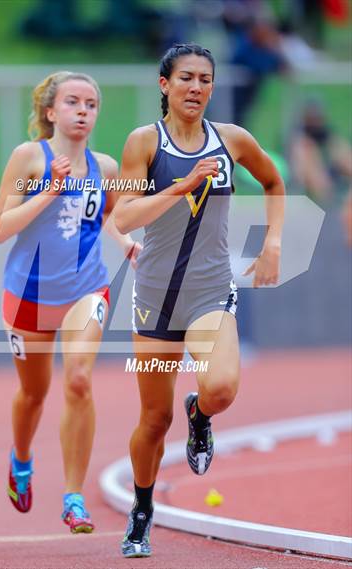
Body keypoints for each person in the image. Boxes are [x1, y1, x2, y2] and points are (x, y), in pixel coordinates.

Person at [114, 43, 285, 558]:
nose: (196, 87)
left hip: (211, 289)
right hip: (156, 298)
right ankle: (143, 510)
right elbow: (122, 216)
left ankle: (202, 414)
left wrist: (273, 242)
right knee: (153, 421)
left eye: (205, 79)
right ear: (164, 85)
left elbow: (275, 181)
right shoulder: (144, 142)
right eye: (186, 77)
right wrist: (182, 185)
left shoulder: (231, 140)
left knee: (223, 388)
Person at [0, 71, 139, 533]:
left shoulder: (107, 168)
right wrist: (48, 191)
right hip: (29, 297)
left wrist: (128, 243)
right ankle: (21, 458)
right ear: (51, 112)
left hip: (85, 290)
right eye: (73, 102)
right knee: (34, 395)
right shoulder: (29, 157)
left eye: (91, 104)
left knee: (77, 381)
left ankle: (74, 496)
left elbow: (111, 217)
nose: (83, 111)